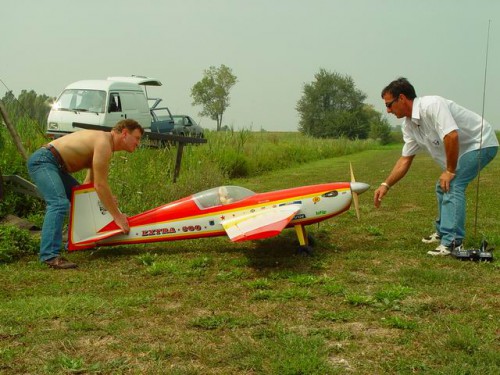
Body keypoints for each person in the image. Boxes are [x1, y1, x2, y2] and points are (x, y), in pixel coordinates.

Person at [374, 78, 498, 256]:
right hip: (464, 150)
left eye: (389, 105)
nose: (387, 110)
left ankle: (453, 242)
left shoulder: (432, 105)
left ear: (401, 98)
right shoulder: (408, 125)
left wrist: (449, 171)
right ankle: (443, 233)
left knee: (453, 184)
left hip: (481, 142)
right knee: (442, 186)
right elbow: (405, 159)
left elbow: (452, 136)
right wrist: (385, 185)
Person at [27, 119, 144, 269]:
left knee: (80, 200)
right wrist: (118, 217)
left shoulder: (103, 143)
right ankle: (49, 256)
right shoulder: (104, 144)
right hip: (44, 161)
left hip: (54, 164)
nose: (138, 143)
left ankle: (77, 242)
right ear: (125, 133)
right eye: (137, 138)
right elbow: (100, 185)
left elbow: (88, 186)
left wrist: (106, 202)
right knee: (59, 203)